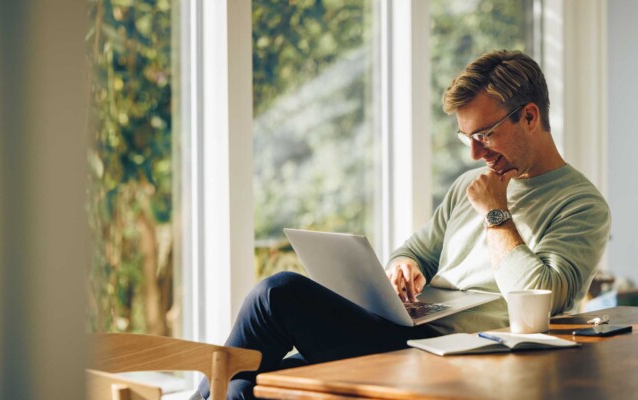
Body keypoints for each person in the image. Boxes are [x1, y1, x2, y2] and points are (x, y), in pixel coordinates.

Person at [192, 50, 611, 400]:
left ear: (530, 116)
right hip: (404, 331)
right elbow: (415, 251)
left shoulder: (581, 205)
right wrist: (402, 267)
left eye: (485, 134)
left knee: (277, 292)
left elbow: (546, 298)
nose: (474, 154)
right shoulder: (469, 185)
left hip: (457, 354)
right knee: (245, 387)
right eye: (466, 138)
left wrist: (495, 214)